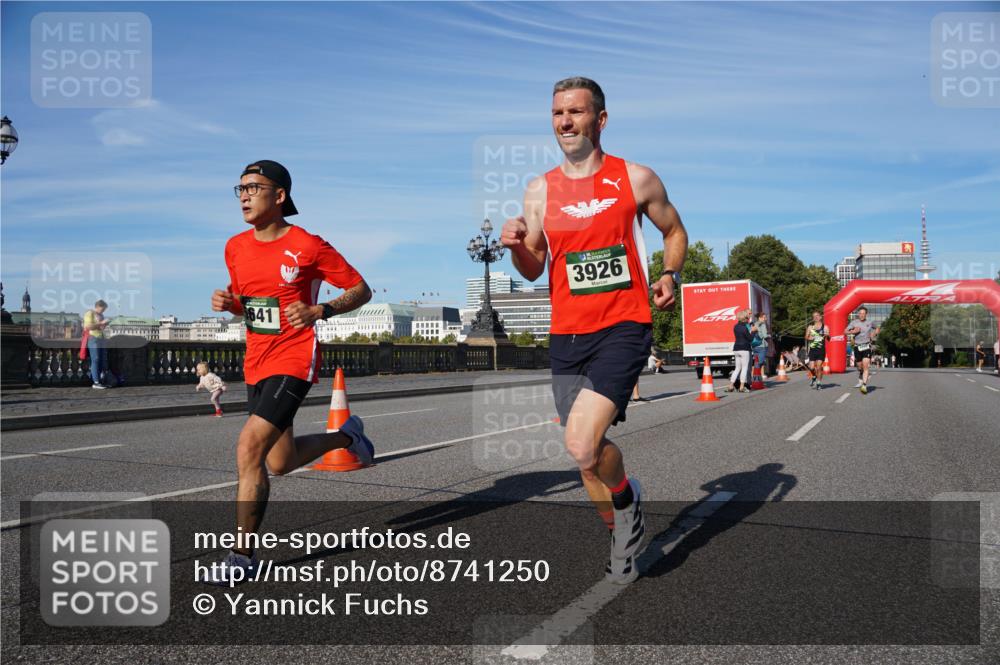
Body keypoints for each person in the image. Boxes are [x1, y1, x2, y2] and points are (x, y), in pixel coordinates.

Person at [500, 77, 687, 584]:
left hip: (624, 326)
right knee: (586, 458)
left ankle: (626, 504)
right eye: (558, 112)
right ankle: (621, 530)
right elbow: (535, 266)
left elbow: (674, 230)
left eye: (576, 112)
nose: (565, 121)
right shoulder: (539, 189)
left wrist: (669, 274)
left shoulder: (636, 178)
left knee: (582, 445)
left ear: (599, 120)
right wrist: (517, 243)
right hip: (567, 333)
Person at [203, 160, 374, 585]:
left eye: (253, 187)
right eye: (239, 188)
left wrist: (320, 309)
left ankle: (242, 554)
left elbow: (360, 289)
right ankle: (348, 436)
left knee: (248, 448)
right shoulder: (235, 247)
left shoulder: (307, 245)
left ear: (279, 196)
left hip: (295, 357)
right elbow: (254, 306)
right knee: (279, 462)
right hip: (256, 360)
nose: (243, 195)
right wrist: (231, 305)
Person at [845, 306, 879, 394]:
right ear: (858, 314)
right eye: (860, 313)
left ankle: (864, 385)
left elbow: (877, 328)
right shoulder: (854, 322)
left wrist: (874, 333)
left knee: (866, 366)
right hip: (857, 346)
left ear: (866, 314)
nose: (862, 315)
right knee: (859, 366)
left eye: (863, 313)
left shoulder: (870, 322)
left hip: (867, 346)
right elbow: (845, 331)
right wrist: (853, 331)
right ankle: (860, 373)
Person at [83, 299, 111, 389]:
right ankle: (96, 382)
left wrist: (105, 324)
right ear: (98, 306)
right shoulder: (89, 313)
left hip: (101, 338)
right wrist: (101, 323)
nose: (103, 311)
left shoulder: (101, 315)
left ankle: (99, 381)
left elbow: (101, 328)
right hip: (93, 338)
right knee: (95, 359)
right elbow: (88, 326)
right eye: (102, 309)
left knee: (102, 360)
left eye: (104, 310)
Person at [726, 309, 753, 393]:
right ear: (744, 318)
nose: (747, 319)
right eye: (746, 317)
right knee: (744, 368)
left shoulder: (735, 327)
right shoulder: (744, 328)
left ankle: (731, 386)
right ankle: (742, 387)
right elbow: (750, 339)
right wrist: (753, 331)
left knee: (737, 368)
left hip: (736, 348)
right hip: (744, 349)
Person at [804, 311, 828, 390]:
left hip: (821, 349)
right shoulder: (810, 327)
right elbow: (806, 337)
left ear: (820, 317)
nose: (816, 317)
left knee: (819, 367)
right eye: (814, 316)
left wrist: (827, 335)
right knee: (811, 367)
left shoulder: (825, 327)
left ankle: (819, 383)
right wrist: (809, 338)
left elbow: (829, 338)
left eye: (817, 316)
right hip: (813, 349)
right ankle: (814, 376)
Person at [752, 312, 769, 378]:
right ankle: (756, 375)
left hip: (754, 345)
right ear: (760, 318)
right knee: (761, 362)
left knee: (756, 361)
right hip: (761, 346)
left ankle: (756, 375)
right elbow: (764, 336)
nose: (766, 319)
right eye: (764, 317)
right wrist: (769, 335)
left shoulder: (755, 324)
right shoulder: (763, 325)